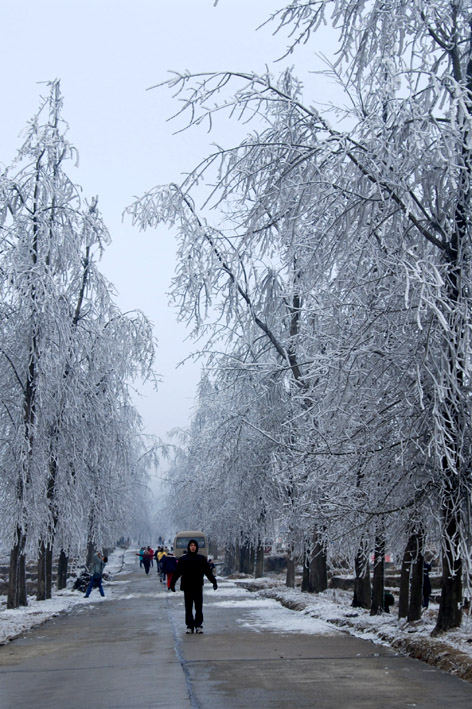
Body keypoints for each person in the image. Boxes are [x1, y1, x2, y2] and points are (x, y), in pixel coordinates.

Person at [170, 538, 217, 633]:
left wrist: (214, 582)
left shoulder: (201, 559)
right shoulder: (183, 559)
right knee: (188, 607)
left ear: (196, 547)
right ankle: (190, 625)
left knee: (198, 607)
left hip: (198, 586)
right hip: (187, 587)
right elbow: (177, 572)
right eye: (191, 545)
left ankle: (198, 625)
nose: (193, 547)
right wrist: (172, 583)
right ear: (189, 547)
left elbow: (208, 572)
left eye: (194, 545)